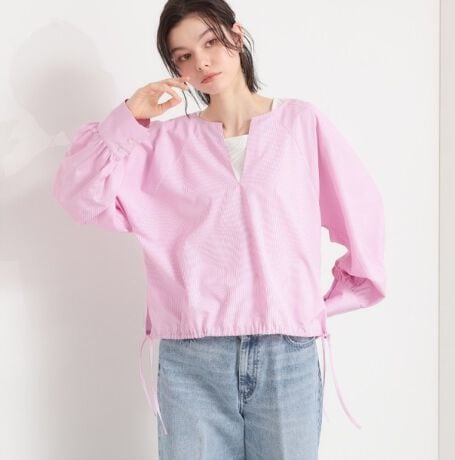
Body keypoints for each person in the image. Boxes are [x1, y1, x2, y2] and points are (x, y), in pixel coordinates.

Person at [52, 0, 386, 458]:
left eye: (210, 42)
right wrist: (131, 115)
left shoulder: (300, 123)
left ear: (237, 35)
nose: (202, 62)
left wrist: (319, 304)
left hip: (286, 353)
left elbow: (362, 213)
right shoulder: (161, 144)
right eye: (184, 56)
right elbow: (79, 194)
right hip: (192, 358)